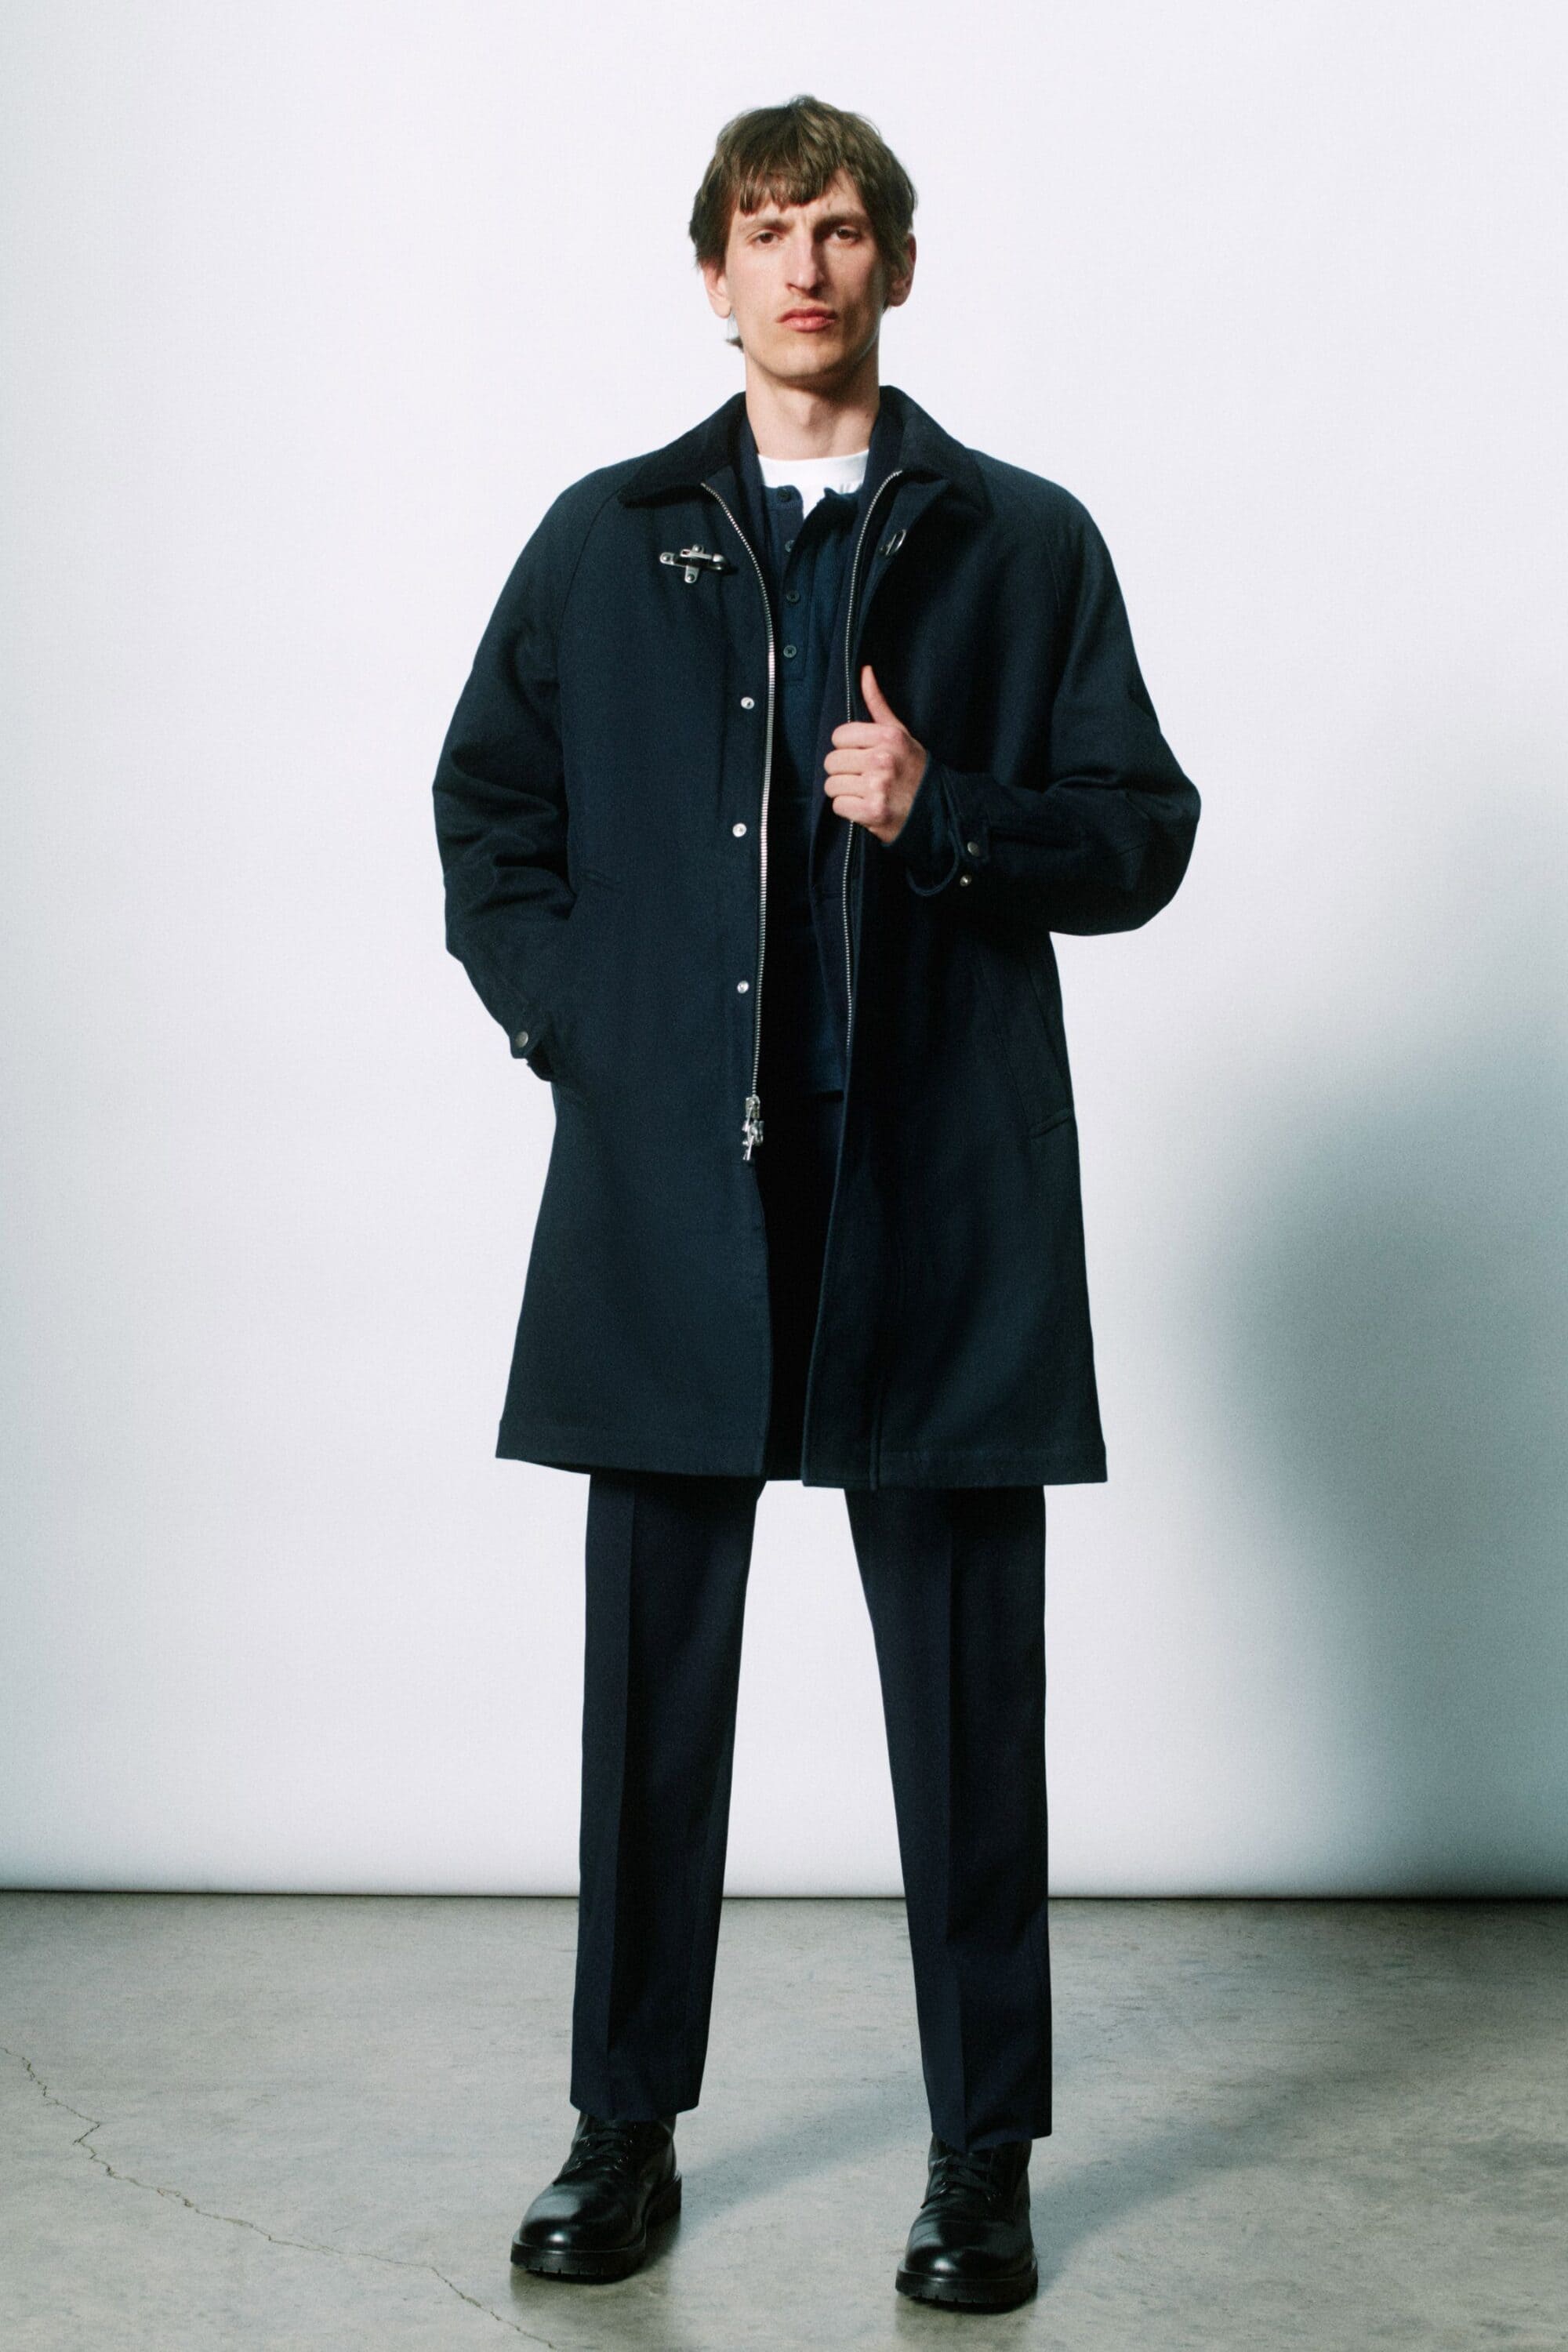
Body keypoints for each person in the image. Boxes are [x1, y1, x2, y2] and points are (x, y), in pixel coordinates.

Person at [431, 93, 1200, 2314]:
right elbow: (488, 810)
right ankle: (623, 2132)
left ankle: (984, 2159)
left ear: (897, 267)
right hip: (678, 1196)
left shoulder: (1021, 543)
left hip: (932, 1195)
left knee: (967, 1700)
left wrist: (947, 808)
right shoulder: (609, 540)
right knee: (651, 1698)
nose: (805, 265)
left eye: (843, 228)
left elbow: (1142, 832)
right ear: (714, 271)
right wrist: (590, 1030)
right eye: (767, 230)